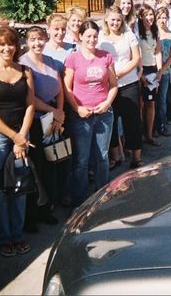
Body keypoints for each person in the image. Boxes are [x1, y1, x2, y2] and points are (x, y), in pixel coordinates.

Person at [0, 26, 36, 257]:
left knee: (19, 186)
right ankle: (4, 238)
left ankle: (18, 235)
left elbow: (30, 105)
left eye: (10, 44)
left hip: (22, 135)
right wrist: (14, 137)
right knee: (0, 188)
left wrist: (22, 136)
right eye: (2, 44)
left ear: (16, 46)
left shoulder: (25, 71)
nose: (6, 48)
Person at [63, 20, 118, 206]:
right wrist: (77, 108)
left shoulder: (106, 57)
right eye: (88, 36)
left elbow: (113, 84)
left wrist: (107, 103)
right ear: (80, 37)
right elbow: (67, 87)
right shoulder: (73, 58)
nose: (92, 40)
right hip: (82, 116)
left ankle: (101, 199)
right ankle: (79, 201)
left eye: (95, 36)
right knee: (81, 160)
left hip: (103, 114)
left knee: (102, 157)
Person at [19, 26, 64, 232]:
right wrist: (52, 110)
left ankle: (47, 209)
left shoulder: (52, 62)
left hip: (53, 119)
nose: (37, 43)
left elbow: (60, 89)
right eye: (32, 39)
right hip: (36, 121)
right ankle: (32, 216)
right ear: (27, 42)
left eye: (40, 39)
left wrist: (60, 113)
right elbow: (30, 98)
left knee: (52, 164)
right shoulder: (23, 64)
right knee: (35, 168)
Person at [98, 5, 143, 168]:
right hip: (109, 86)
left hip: (128, 82)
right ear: (106, 19)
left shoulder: (128, 34)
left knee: (132, 121)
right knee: (111, 121)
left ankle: (136, 156)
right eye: (112, 20)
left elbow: (136, 57)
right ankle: (115, 155)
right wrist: (110, 78)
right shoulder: (100, 36)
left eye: (118, 20)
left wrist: (121, 73)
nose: (115, 23)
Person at [137, 4, 162, 146]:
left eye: (151, 14)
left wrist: (159, 72)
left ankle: (149, 134)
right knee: (140, 104)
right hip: (141, 70)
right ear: (141, 17)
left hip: (152, 70)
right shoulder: (136, 33)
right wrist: (141, 75)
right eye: (146, 15)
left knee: (151, 103)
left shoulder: (155, 30)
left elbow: (158, 51)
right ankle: (139, 135)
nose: (149, 18)